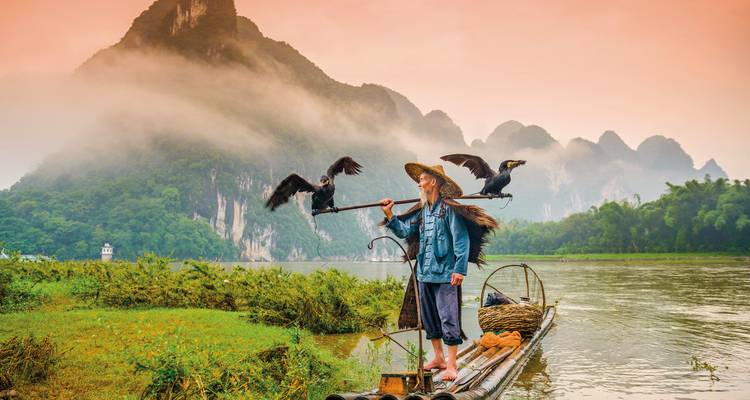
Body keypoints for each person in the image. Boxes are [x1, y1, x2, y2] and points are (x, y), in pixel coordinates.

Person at [380, 163, 470, 381]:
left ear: (433, 182)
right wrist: (390, 214)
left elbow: (461, 240)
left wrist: (459, 269)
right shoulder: (421, 212)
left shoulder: (448, 210)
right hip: (424, 274)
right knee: (430, 319)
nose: (418, 183)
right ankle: (438, 358)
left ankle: (451, 365)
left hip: (445, 274)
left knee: (448, 318)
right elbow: (404, 231)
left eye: (421, 179)